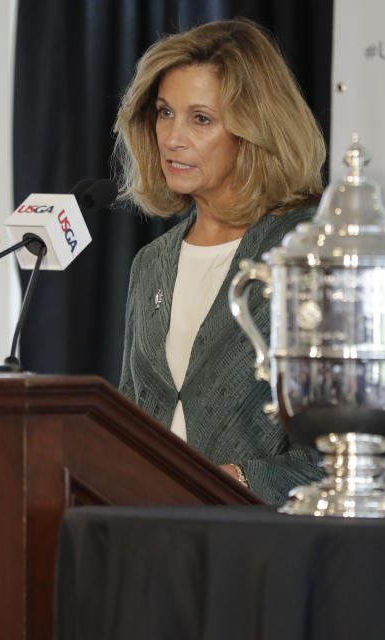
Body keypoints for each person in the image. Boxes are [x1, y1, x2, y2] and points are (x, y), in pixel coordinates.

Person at [113, 18, 325, 504]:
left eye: (201, 119)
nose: (172, 138)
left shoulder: (307, 251)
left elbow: (334, 454)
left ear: (253, 129)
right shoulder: (151, 263)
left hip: (261, 542)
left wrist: (237, 480)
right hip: (154, 531)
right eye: (165, 113)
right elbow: (128, 419)